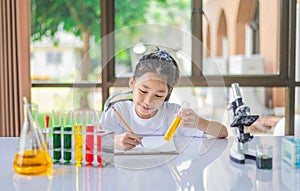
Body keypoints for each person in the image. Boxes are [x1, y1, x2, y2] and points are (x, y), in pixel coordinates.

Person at [101, 49, 228, 150]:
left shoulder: (174, 115)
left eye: (159, 95)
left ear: (168, 93)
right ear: (132, 83)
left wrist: (199, 123)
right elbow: (90, 142)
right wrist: (114, 141)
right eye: (143, 91)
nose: (148, 101)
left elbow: (223, 132)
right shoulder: (117, 111)